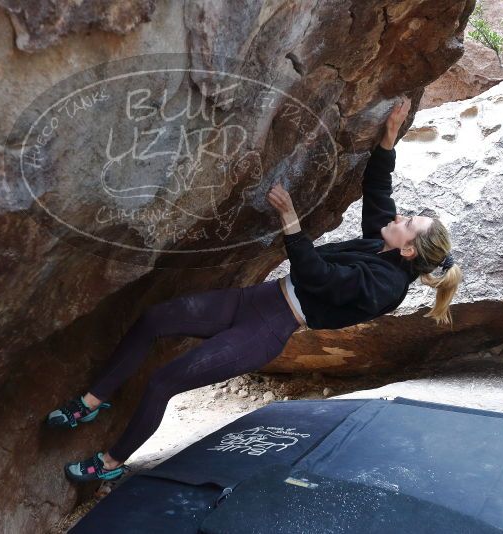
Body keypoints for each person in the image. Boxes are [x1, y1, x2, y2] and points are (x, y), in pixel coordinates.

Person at [52, 95, 463, 483]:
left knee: (164, 381)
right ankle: (92, 401)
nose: (401, 216)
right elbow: (378, 191)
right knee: (154, 318)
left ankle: (110, 463)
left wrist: (290, 220)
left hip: (266, 331)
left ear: (409, 249)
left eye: (408, 222)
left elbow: (316, 276)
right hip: (258, 299)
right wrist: (389, 138)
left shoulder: (385, 287)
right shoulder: (384, 244)